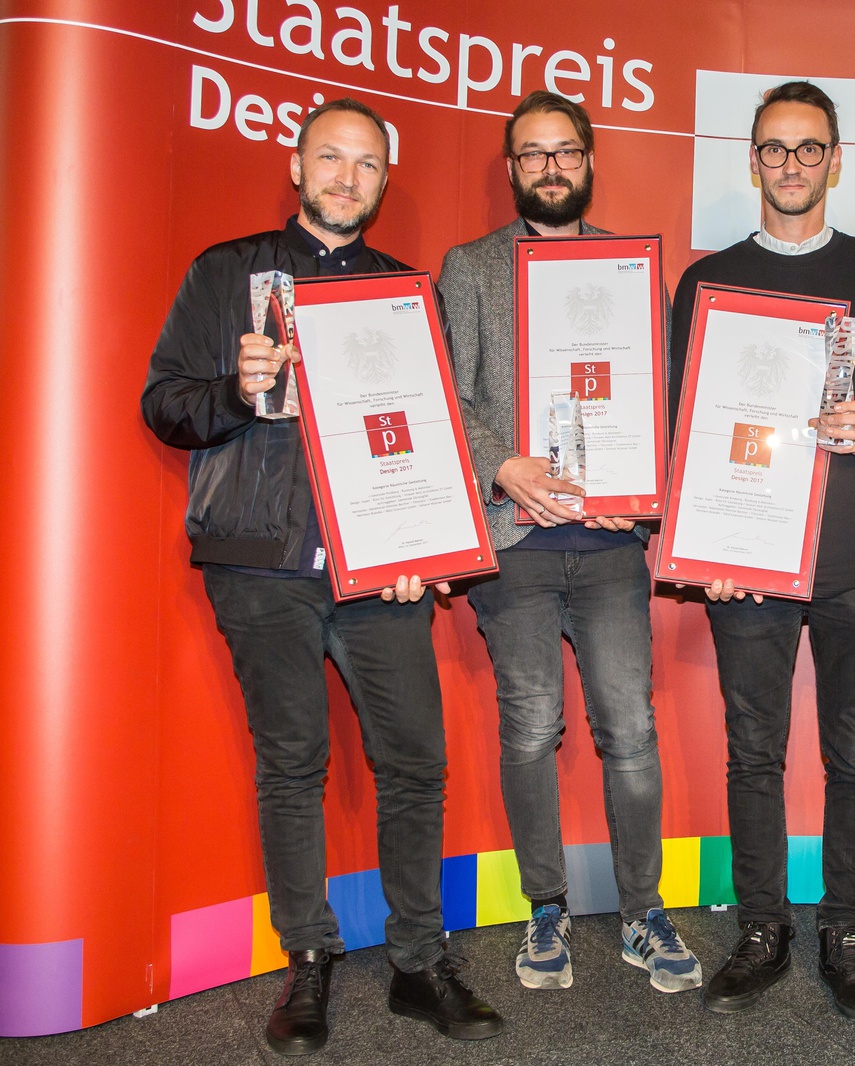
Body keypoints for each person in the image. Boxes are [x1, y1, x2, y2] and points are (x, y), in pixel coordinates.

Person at [140, 98, 503, 1055]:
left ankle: (419, 962)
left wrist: (426, 548)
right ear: (297, 168)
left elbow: (429, 433)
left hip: (380, 570)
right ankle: (308, 961)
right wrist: (238, 388)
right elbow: (164, 406)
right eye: (331, 159)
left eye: (367, 164)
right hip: (260, 563)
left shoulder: (404, 294)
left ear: (385, 180)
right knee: (292, 764)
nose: (348, 178)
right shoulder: (225, 273)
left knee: (415, 763)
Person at [667, 80, 855, 1021]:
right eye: (775, 149)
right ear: (753, 162)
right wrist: (704, 544)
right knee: (753, 750)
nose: (791, 164)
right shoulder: (708, 282)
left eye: (809, 148)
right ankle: (763, 927)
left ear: (835, 160)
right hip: (747, 558)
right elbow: (683, 419)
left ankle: (846, 929)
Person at [437, 91, 700, 996]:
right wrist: (503, 466)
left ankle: (642, 915)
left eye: (566, 152)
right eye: (533, 154)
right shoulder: (471, 268)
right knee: (530, 724)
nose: (551, 167)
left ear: (588, 162)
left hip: (610, 544)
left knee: (630, 726)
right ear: (513, 169)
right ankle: (544, 908)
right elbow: (448, 395)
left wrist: (644, 492)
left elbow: (659, 399)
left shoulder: (632, 272)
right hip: (515, 543)